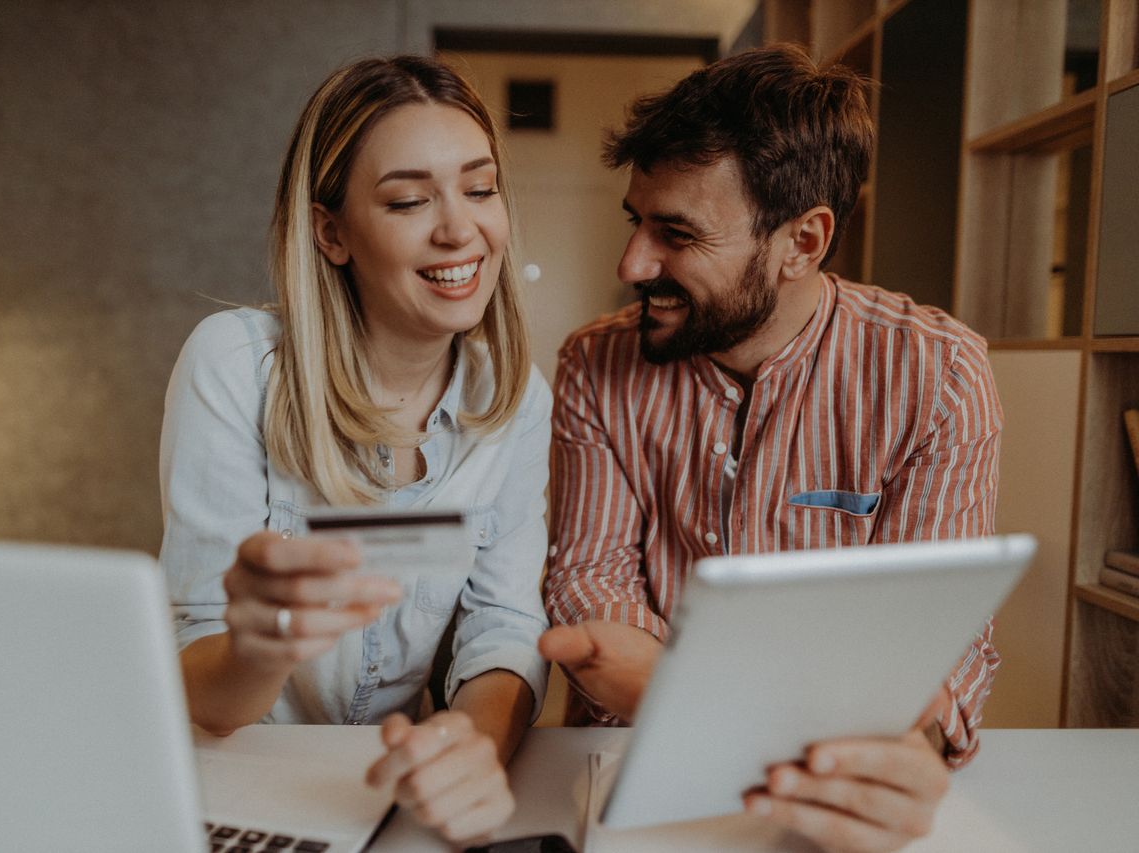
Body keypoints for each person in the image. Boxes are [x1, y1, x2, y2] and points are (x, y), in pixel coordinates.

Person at [539, 45, 1002, 853]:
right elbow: (591, 580)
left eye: (676, 233)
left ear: (804, 240)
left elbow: (933, 635)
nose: (632, 264)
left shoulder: (942, 375)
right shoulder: (592, 362)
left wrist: (900, 754)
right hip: (627, 778)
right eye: (635, 221)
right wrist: (764, 707)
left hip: (827, 783)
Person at [159, 55, 551, 845]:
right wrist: (255, 646)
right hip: (239, 780)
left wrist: (466, 748)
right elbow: (205, 689)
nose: (459, 228)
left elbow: (503, 625)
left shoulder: (515, 399)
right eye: (408, 199)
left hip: (386, 792)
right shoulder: (235, 365)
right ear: (331, 232)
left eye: (480, 189)